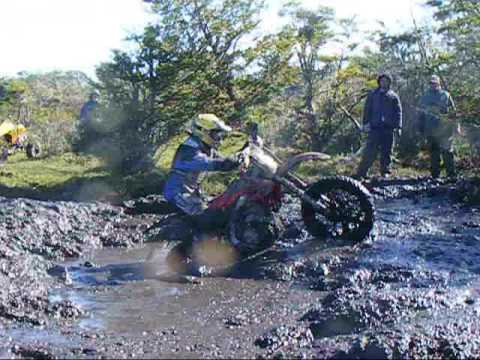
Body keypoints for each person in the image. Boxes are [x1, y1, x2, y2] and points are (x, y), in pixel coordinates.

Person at [163, 113, 240, 230]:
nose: (219, 139)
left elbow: (221, 159)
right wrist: (228, 163)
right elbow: (212, 163)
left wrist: (241, 156)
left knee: (222, 205)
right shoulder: (188, 151)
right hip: (178, 193)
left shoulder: (204, 146)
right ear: (204, 132)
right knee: (209, 219)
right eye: (216, 134)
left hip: (192, 191)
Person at [355, 73, 403, 178]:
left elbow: (398, 112)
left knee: (387, 152)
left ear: (389, 82)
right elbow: (367, 110)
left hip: (388, 129)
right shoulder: (373, 94)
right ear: (379, 82)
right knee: (370, 151)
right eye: (382, 81)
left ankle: (385, 172)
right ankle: (362, 173)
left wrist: (398, 127)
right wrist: (365, 124)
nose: (384, 82)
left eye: (386, 81)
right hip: (375, 128)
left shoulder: (393, 96)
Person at [418, 74, 457, 178]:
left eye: (435, 83)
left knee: (447, 153)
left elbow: (453, 113)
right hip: (430, 130)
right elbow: (420, 114)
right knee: (434, 153)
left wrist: (456, 126)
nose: (433, 84)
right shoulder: (424, 97)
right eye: (431, 83)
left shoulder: (446, 95)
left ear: (439, 83)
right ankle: (435, 176)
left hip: (445, 130)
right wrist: (420, 129)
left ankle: (451, 175)